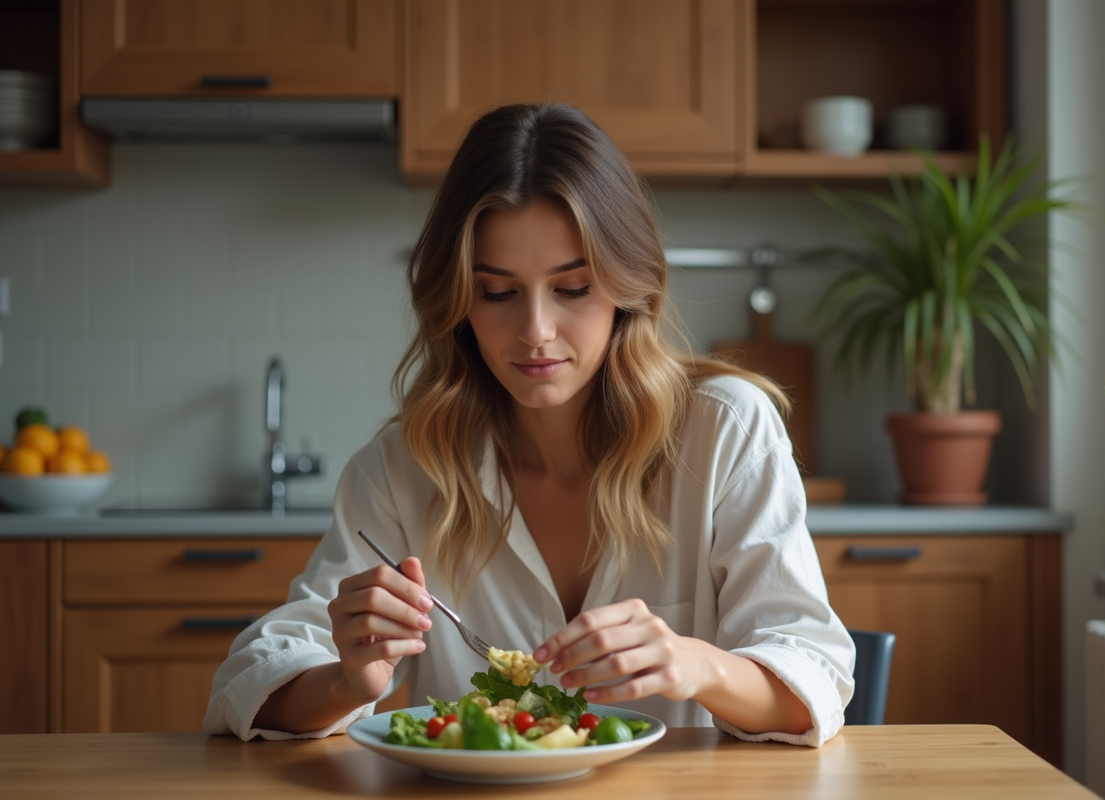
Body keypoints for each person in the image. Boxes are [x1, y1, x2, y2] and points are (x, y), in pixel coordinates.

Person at [204, 103, 855, 747]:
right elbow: (250, 679)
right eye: (497, 292)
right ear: (459, 301)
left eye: (571, 289)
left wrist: (694, 664)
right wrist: (347, 681)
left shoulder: (725, 428)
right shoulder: (405, 465)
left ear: (626, 287)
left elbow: (814, 675)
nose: (536, 332)